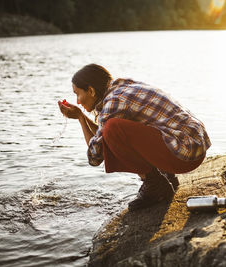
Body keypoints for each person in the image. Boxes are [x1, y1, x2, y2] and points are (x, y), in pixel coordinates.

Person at [58, 64, 211, 211]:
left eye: (77, 94)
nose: (77, 100)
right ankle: (167, 176)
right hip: (193, 147)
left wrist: (80, 118)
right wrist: (82, 117)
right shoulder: (123, 87)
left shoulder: (114, 101)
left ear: (91, 91)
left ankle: (155, 185)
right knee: (113, 128)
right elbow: (103, 135)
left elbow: (95, 156)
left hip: (184, 156)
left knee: (113, 128)